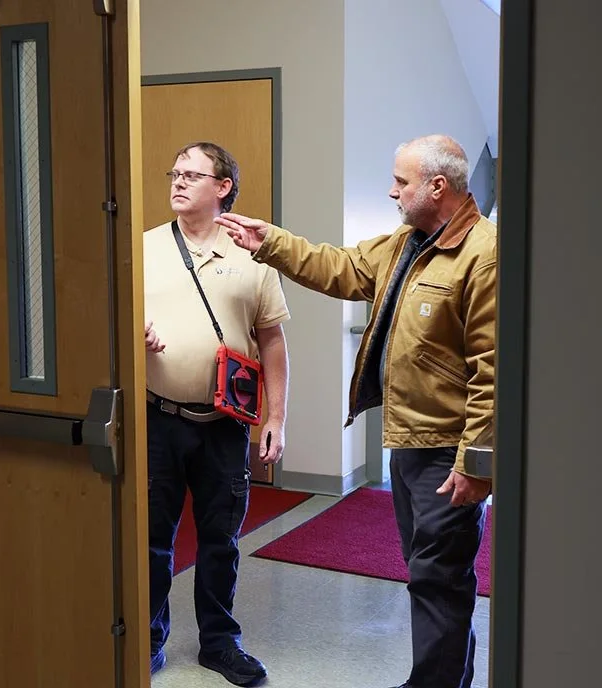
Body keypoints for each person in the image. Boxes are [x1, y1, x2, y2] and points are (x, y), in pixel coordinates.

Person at [215, 134, 495, 688]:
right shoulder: (407, 242)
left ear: (437, 186)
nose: (392, 191)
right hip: (411, 441)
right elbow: (339, 267)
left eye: (401, 181)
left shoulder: (485, 254)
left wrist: (477, 465)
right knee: (431, 576)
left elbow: (494, 370)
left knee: (439, 578)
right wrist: (269, 241)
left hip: (448, 451)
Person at [144, 141, 290, 687]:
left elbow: (272, 341)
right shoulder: (144, 248)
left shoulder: (252, 253)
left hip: (226, 425)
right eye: (173, 172)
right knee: (153, 539)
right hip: (158, 418)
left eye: (191, 175)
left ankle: (219, 643)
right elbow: (109, 324)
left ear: (222, 187)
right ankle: (150, 638)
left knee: (220, 540)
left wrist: (276, 416)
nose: (177, 182)